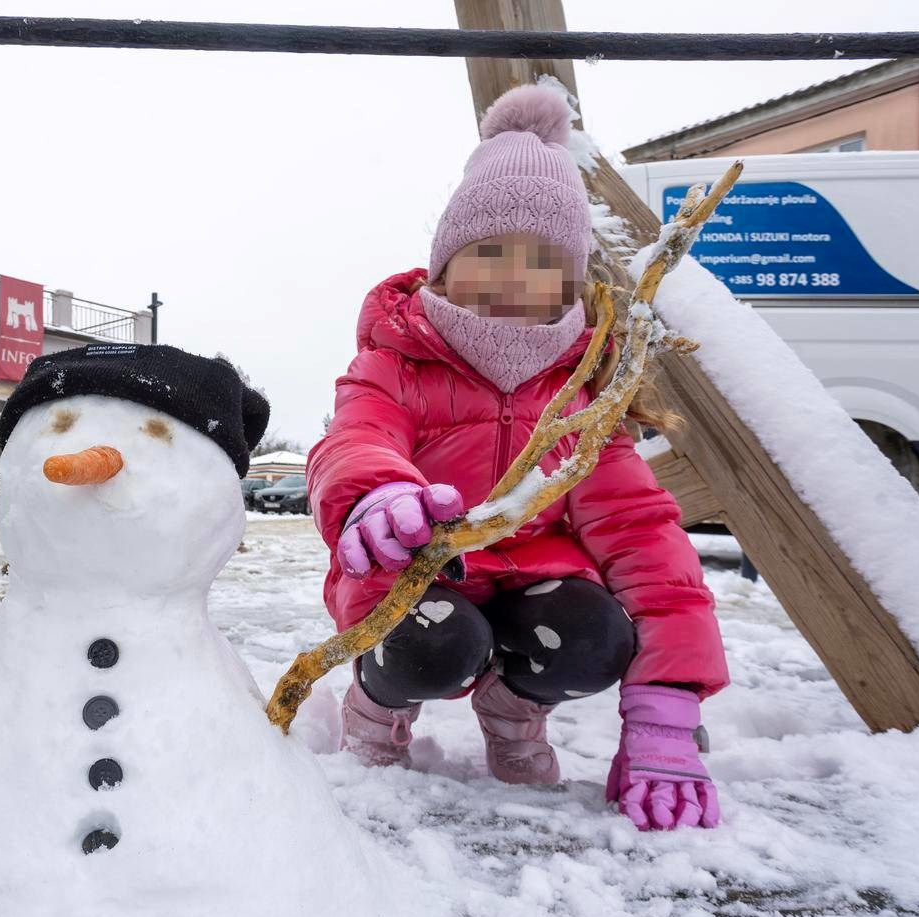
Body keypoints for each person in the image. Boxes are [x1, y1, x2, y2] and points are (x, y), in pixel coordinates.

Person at [306, 83, 728, 832]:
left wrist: (667, 704)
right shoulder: (397, 361)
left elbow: (643, 536)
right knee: (435, 639)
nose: (513, 277)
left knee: (597, 635)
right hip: (424, 572)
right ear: (446, 262)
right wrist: (376, 496)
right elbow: (356, 438)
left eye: (542, 263)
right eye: (490, 253)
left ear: (571, 281)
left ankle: (514, 710)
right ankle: (377, 705)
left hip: (535, 583)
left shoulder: (580, 395)